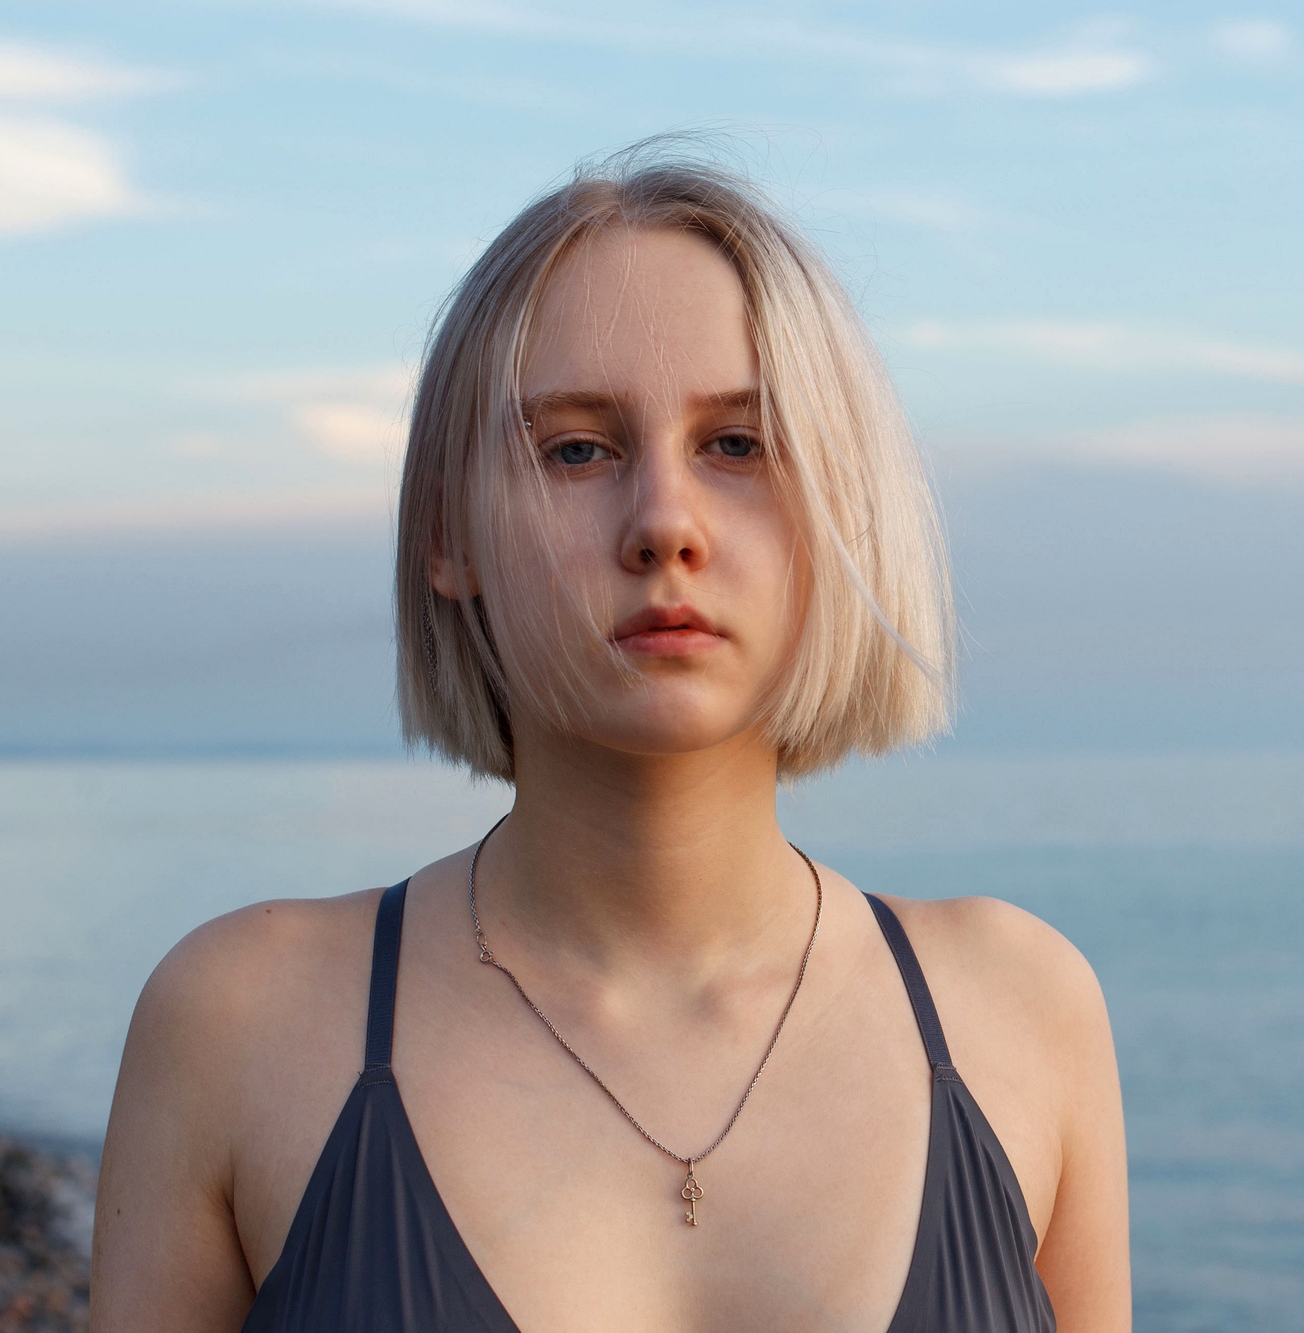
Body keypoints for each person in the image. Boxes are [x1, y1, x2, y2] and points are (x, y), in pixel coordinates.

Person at [90, 145, 1129, 1331]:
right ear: (449, 533)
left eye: (737, 443)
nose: (664, 524)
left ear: (842, 508)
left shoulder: (1019, 1010)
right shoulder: (242, 1023)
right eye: (577, 448)